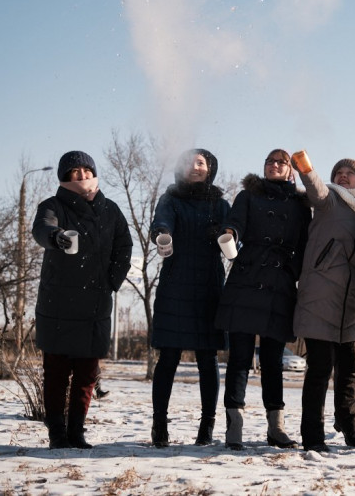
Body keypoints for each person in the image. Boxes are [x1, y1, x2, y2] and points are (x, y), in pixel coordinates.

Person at [32, 151, 132, 449]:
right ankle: (57, 434)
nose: (82, 175)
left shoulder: (110, 209)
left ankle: (76, 432)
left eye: (87, 170)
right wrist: (56, 236)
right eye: (75, 171)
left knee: (87, 375)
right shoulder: (53, 205)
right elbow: (42, 228)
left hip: (95, 302)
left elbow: (124, 247)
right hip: (58, 302)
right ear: (65, 176)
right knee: (56, 374)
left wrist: (111, 282)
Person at [214, 149, 311, 450]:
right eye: (270, 161)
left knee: (272, 361)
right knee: (240, 358)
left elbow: (305, 244)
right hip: (246, 278)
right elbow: (235, 223)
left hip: (280, 284)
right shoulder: (248, 196)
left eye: (281, 162)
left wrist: (292, 270)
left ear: (291, 171)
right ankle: (234, 427)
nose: (274, 165)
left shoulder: (300, 204)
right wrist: (230, 234)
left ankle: (276, 427)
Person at [148, 149, 230, 448]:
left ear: (210, 169)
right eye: (189, 162)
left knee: (207, 358)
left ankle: (207, 427)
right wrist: (162, 234)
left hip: (209, 287)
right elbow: (161, 222)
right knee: (168, 356)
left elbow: (234, 234)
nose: (194, 167)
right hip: (175, 285)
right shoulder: (170, 199)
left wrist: (225, 234)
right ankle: (159, 425)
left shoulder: (220, 204)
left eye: (201, 163)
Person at [293, 156, 355, 453]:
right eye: (339, 171)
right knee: (320, 369)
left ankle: (349, 425)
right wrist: (305, 168)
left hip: (349, 302)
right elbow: (315, 188)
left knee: (350, 369)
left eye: (350, 173)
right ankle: (313, 435)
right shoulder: (330, 200)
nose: (343, 176)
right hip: (320, 295)